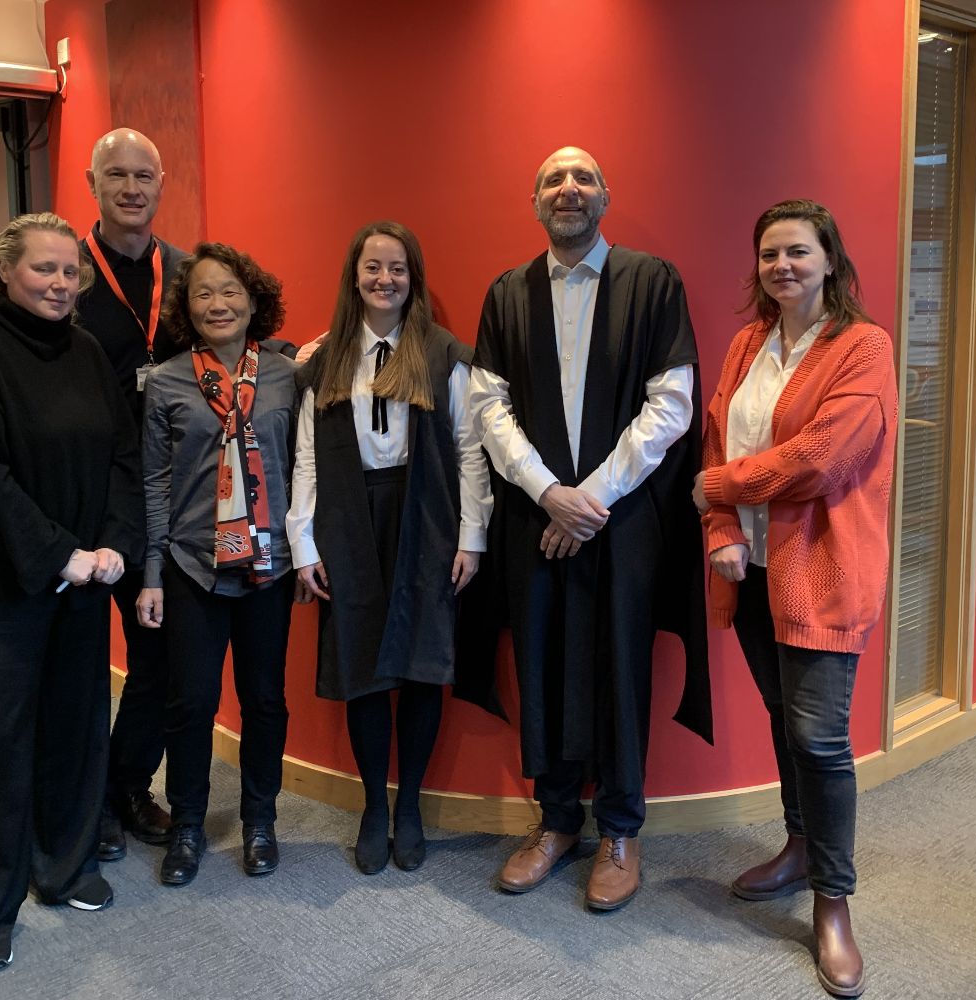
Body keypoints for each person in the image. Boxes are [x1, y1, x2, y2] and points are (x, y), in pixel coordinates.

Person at [471, 146, 711, 910]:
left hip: (623, 517)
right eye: (551, 179)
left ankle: (618, 825)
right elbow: (485, 406)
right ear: (533, 199)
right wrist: (548, 492)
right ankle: (554, 822)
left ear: (605, 195)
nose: (567, 189)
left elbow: (671, 404)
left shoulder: (651, 282)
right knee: (538, 659)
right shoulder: (506, 294)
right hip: (533, 517)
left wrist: (590, 499)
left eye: (582, 178)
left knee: (617, 664)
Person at [0, 212, 143, 973]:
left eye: (69, 272)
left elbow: (122, 453)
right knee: (1, 745)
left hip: (86, 579)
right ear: (5, 272)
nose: (58, 283)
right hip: (3, 589)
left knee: (76, 727)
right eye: (43, 269)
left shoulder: (85, 351)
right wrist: (61, 554)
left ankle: (64, 867)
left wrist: (115, 540)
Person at [693, 199, 896, 999]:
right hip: (746, 570)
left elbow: (820, 460)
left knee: (818, 739)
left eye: (798, 252)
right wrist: (719, 530)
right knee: (784, 720)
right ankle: (797, 846)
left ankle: (833, 903)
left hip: (821, 566)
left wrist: (716, 487)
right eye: (770, 253)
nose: (782, 265)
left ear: (828, 260)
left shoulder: (862, 346)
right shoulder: (747, 343)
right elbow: (716, 436)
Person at [286, 221, 490, 874]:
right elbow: (307, 457)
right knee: (363, 668)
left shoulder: (440, 354)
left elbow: (468, 449)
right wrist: (302, 543)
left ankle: (409, 807)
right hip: (348, 520)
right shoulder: (325, 360)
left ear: (413, 279)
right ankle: (374, 803)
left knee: (421, 664)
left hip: (423, 517)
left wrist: (470, 537)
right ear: (354, 277)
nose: (384, 279)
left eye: (397, 268)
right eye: (372, 267)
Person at [139, 243, 297, 886]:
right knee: (191, 701)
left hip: (271, 566)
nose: (218, 303)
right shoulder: (166, 381)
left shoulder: (291, 375)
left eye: (230, 290)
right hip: (191, 564)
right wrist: (152, 572)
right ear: (186, 308)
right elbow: (154, 481)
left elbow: (307, 470)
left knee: (264, 700)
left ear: (254, 299)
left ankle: (261, 820)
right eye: (202, 293)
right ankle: (186, 826)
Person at [78, 128, 187, 860]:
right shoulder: (67, 272)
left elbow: (227, 338)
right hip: (84, 494)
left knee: (159, 658)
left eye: (142, 175)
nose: (130, 188)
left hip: (162, 495)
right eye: (115, 174)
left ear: (159, 183)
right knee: (80, 660)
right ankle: (79, 802)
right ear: (92, 184)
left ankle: (125, 787)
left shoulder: (184, 271)